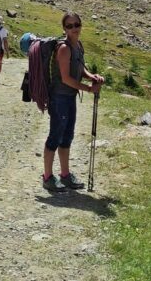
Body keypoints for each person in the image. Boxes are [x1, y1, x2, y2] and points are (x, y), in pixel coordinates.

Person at [42, 11, 104, 192]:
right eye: (70, 26)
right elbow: (66, 78)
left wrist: (92, 76)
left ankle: (65, 175)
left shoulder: (78, 45)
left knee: (67, 136)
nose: (74, 28)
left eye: (76, 24)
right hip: (59, 97)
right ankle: (47, 177)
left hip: (69, 98)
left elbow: (80, 67)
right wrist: (89, 89)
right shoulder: (64, 48)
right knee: (55, 136)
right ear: (64, 29)